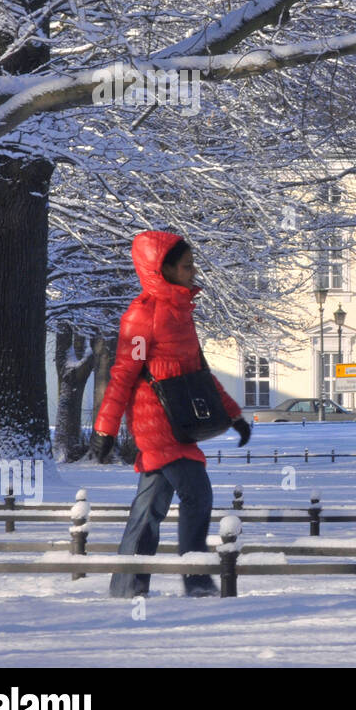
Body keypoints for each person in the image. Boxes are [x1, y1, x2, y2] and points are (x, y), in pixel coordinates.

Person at [88, 232, 251, 597]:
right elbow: (123, 375)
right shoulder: (142, 315)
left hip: (179, 420)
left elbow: (199, 375)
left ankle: (128, 585)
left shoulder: (180, 311)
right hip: (157, 424)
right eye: (187, 265)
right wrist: (105, 430)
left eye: (193, 264)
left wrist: (233, 414)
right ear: (163, 269)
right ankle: (197, 580)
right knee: (197, 493)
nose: (194, 271)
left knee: (149, 507)